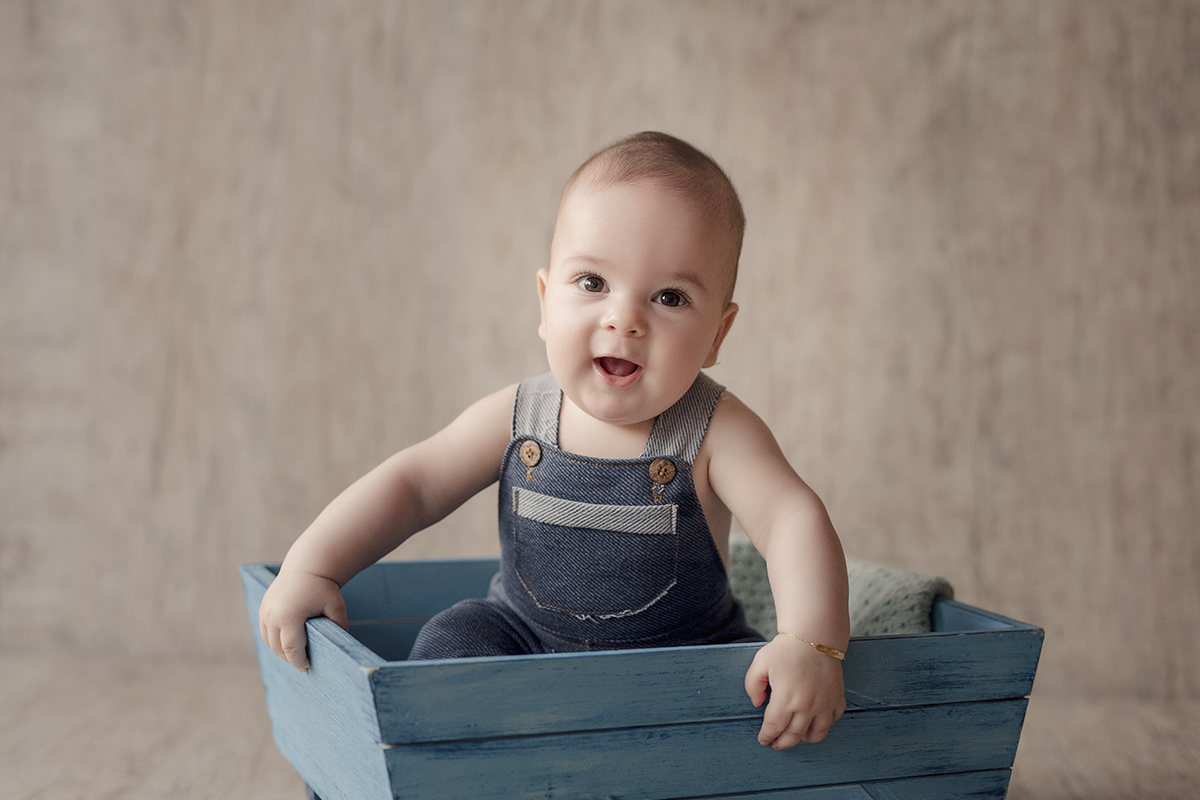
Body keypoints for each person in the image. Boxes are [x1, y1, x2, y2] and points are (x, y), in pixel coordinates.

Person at [258, 132, 850, 749]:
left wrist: (809, 641)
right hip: (522, 638)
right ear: (545, 301)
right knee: (448, 643)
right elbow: (413, 484)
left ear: (717, 335)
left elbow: (789, 518)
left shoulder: (716, 430)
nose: (624, 319)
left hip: (684, 656)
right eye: (592, 282)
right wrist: (313, 566)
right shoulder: (520, 415)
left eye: (669, 297)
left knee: (749, 690)